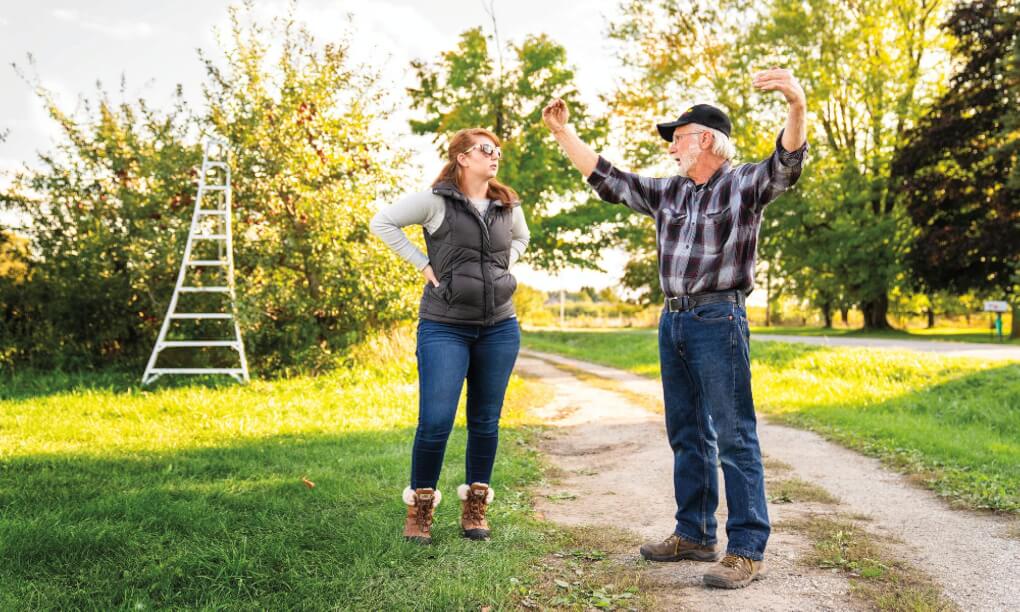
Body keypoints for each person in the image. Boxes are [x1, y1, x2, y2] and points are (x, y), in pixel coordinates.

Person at [541, 68, 808, 589]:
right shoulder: (670, 194)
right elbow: (609, 178)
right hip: (674, 319)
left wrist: (795, 103)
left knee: (733, 435)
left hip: (719, 318)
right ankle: (695, 533)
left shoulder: (742, 185)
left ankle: (747, 549)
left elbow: (786, 164)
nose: (670, 149)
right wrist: (562, 134)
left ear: (705, 139)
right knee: (686, 432)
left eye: (677, 139)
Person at [369, 127, 529, 544]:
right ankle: (420, 509)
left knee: (485, 421)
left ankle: (475, 507)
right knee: (437, 420)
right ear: (462, 157)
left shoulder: (506, 202)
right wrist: (422, 264)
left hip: (500, 326)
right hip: (444, 325)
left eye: (497, 150)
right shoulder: (435, 201)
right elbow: (382, 222)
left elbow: (522, 238)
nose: (494, 156)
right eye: (485, 150)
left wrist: (503, 265)